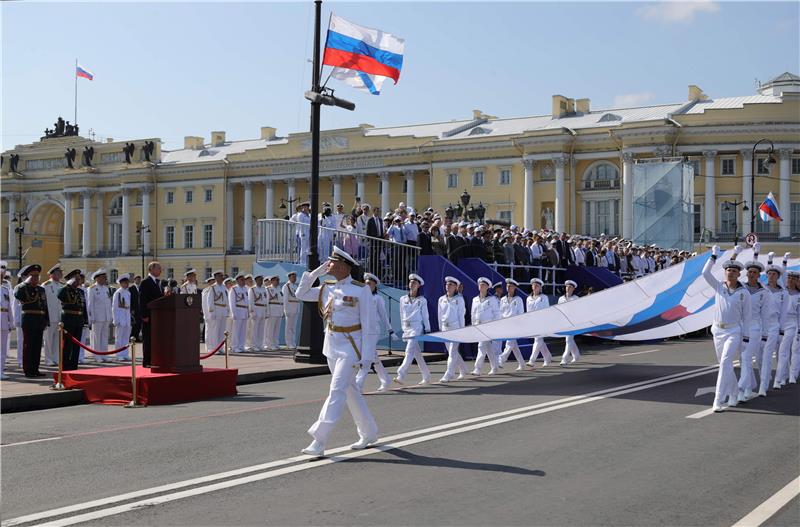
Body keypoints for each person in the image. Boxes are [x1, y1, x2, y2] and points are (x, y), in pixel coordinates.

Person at [294, 246, 377, 457]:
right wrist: (314, 274)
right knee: (350, 391)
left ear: (341, 266)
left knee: (336, 389)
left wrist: (366, 358)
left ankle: (319, 440)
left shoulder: (360, 290)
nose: (327, 265)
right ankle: (369, 432)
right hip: (331, 345)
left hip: (351, 346)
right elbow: (301, 293)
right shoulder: (327, 287)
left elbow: (370, 325)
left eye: (330, 262)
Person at [702, 245, 751, 412]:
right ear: (725, 272)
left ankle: (718, 399)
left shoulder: (744, 293)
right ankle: (734, 392)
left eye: (733, 270)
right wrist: (713, 256)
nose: (730, 272)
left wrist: (746, 338)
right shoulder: (719, 286)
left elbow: (748, 317)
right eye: (728, 270)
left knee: (725, 362)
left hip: (734, 331)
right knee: (725, 365)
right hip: (718, 330)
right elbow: (705, 273)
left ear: (739, 274)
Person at [355, 272, 393, 392]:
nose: (367, 286)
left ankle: (358, 384)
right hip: (362, 329)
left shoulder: (378, 298)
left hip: (373, 329)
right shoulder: (360, 297)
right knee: (373, 356)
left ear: (375, 285)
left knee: (366, 358)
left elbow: (383, 315)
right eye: (366, 283)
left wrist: (390, 330)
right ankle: (386, 380)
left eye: (370, 284)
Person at [739, 259, 769, 402]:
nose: (751, 274)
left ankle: (741, 388)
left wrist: (765, 333)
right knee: (743, 359)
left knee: (746, 358)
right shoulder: (741, 288)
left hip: (755, 327)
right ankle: (749, 387)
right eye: (749, 272)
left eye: (754, 272)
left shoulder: (764, 292)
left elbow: (766, 314)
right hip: (740, 327)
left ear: (758, 276)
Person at [394, 274, 431, 385]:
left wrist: (428, 329)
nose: (412, 284)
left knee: (409, 351)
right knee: (417, 354)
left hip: (416, 327)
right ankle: (427, 375)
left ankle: (401, 373)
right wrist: (403, 328)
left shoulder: (422, 300)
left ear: (419, 285)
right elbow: (401, 314)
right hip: (407, 327)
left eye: (415, 283)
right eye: (410, 282)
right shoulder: (402, 299)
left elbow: (425, 316)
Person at [14, 264, 49, 377]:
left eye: (37, 276)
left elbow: (45, 306)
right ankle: (28, 370)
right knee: (28, 346)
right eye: (33, 276)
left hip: (39, 320)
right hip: (29, 320)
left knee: (37, 346)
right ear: (28, 277)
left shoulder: (41, 289)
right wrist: (25, 282)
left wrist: (46, 320)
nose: (35, 278)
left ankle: (35, 369)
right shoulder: (22, 287)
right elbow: (17, 295)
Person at [759, 260, 786, 396]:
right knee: (760, 356)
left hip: (774, 325)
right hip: (761, 325)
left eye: (774, 274)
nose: (771, 276)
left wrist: (782, 329)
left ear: (778, 276)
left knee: (768, 354)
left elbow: (784, 312)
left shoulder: (783, 292)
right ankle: (766, 376)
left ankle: (763, 386)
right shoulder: (762, 289)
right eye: (769, 274)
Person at [438, 276, 468, 382]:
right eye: (447, 284)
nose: (448, 286)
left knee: (452, 351)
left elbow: (461, 316)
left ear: (456, 287)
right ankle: (463, 369)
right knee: (453, 352)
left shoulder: (459, 299)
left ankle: (449, 374)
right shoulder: (441, 299)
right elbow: (439, 315)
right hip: (445, 328)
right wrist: (440, 329)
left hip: (456, 328)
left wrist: (462, 330)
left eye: (450, 285)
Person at [471, 277, 501, 376]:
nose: (481, 286)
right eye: (480, 284)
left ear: (487, 287)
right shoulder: (475, 299)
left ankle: (477, 368)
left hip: (488, 326)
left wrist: (496, 327)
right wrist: (473, 326)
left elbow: (497, 314)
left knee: (481, 346)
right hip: (478, 326)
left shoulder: (492, 299)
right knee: (488, 348)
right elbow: (473, 313)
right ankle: (495, 366)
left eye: (483, 285)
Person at [775, 267, 799, 387]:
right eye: (789, 277)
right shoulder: (782, 292)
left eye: (793, 278)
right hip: (782, 323)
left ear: (797, 281)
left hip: (795, 324)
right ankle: (781, 376)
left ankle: (792, 375)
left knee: (794, 350)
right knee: (782, 351)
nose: (790, 280)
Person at [138, 261, 164, 368]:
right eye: (158, 268)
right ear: (151, 269)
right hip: (148, 316)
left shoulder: (157, 282)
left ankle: (154, 359)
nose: (160, 270)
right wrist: (144, 315)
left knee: (155, 339)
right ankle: (147, 361)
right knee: (148, 339)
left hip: (156, 316)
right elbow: (142, 300)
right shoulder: (145, 282)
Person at [498, 278, 525, 370]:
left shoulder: (518, 299)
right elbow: (500, 312)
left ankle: (502, 359)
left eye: (510, 286)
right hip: (505, 324)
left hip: (514, 324)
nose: (508, 287)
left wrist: (519, 325)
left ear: (515, 288)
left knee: (509, 343)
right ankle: (522, 363)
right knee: (514, 346)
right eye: (507, 286)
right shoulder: (503, 299)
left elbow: (521, 313)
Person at [87, 269, 113, 363]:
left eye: (105, 277)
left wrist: (110, 315)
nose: (105, 279)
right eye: (103, 277)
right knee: (96, 337)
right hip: (97, 317)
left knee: (104, 336)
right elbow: (90, 304)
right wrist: (91, 317)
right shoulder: (92, 288)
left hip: (105, 316)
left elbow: (108, 303)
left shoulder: (106, 288)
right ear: (97, 278)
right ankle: (96, 355)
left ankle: (104, 354)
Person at [526, 278, 552, 368]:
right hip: (533, 323)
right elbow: (528, 312)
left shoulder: (544, 297)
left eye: (537, 285)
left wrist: (547, 322)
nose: (535, 286)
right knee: (539, 341)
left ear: (540, 288)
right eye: (534, 285)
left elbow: (547, 310)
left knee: (538, 340)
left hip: (542, 322)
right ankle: (548, 357)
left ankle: (532, 360)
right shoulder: (528, 298)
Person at [41, 264, 63, 366]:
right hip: (49, 316)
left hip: (59, 317)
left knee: (57, 340)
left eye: (60, 272)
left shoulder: (61, 286)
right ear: (52, 274)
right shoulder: (45, 286)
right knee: (48, 339)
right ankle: (48, 359)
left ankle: (56, 358)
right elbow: (43, 302)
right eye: (58, 273)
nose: (60, 274)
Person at [202, 271, 229, 354]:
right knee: (215, 331)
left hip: (223, 310)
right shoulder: (212, 288)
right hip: (216, 310)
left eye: (222, 276)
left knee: (222, 330)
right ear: (216, 277)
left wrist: (227, 310)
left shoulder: (224, 287)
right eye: (220, 276)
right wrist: (211, 312)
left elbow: (226, 299)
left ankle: (220, 347)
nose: (221, 278)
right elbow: (209, 301)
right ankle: (214, 348)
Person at [558, 280, 581, 366]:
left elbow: (578, 311)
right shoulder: (561, 299)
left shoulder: (576, 299)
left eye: (570, 287)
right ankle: (576, 355)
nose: (568, 288)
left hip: (573, 322)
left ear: (573, 289)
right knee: (569, 339)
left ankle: (564, 359)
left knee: (568, 339)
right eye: (567, 287)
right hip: (564, 322)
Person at [112, 274, 133, 361]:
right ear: (120, 283)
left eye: (127, 282)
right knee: (119, 337)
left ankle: (125, 353)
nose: (126, 284)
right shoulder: (118, 293)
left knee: (126, 336)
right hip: (120, 316)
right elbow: (114, 307)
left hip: (126, 316)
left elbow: (129, 306)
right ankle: (119, 354)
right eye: (124, 283)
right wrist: (115, 319)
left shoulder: (128, 293)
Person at [228, 273, 249, 353]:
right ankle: (234, 346)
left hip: (244, 310)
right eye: (242, 280)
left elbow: (247, 301)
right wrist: (233, 313)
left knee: (243, 330)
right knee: (236, 330)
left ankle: (241, 345)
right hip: (238, 310)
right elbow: (232, 302)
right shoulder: (234, 289)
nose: (243, 281)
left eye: (244, 280)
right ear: (237, 281)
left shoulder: (245, 289)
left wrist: (247, 311)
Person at [248, 275, 268, 352]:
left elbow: (266, 301)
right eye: (259, 280)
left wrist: (266, 311)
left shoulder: (264, 289)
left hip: (263, 309)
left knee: (261, 329)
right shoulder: (252, 289)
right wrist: (252, 312)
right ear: (256, 280)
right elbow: (251, 302)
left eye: (262, 280)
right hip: (256, 309)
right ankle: (254, 345)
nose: (261, 281)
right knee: (255, 329)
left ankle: (260, 345)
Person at [1, 262, 13, 379]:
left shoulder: (5, 289)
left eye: (2, 275)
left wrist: (11, 321)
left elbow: (9, 307)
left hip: (4, 320)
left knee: (3, 348)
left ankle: (1, 370)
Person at [282, 271, 301, 349]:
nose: (294, 278)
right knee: (289, 327)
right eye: (293, 277)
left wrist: (298, 309)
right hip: (289, 308)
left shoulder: (296, 286)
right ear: (289, 277)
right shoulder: (286, 286)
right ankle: (289, 343)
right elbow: (285, 299)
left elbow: (298, 298)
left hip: (295, 308)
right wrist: (285, 310)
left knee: (293, 327)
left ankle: (292, 342)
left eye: (295, 277)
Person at [266, 275, 284, 350]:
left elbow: (282, 301)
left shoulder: (280, 289)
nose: (277, 282)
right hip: (272, 309)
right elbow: (267, 301)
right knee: (271, 328)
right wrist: (267, 312)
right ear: (272, 281)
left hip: (279, 309)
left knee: (277, 329)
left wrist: (283, 311)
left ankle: (275, 343)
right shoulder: (268, 289)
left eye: (278, 280)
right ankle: (269, 344)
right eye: (276, 280)